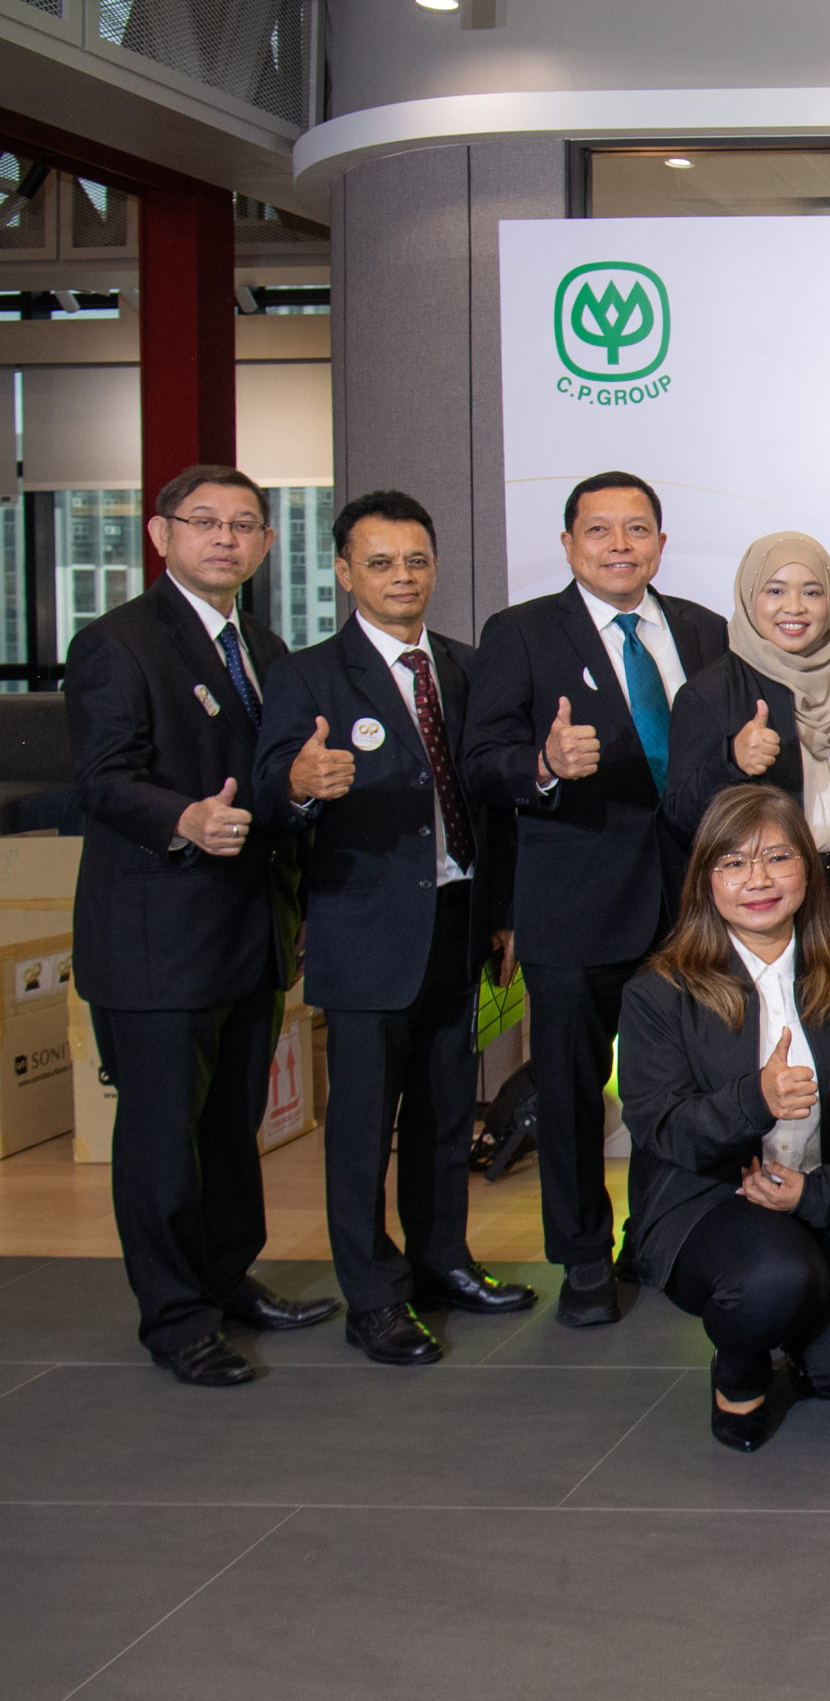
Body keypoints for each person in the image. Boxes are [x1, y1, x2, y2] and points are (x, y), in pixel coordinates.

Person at [69, 465, 336, 1385]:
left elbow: (270, 779)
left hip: (248, 928)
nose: (225, 538)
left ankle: (227, 1280)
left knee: (231, 1127)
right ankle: (176, 1317)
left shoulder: (262, 643)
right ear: (161, 535)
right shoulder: (118, 642)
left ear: (265, 543)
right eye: (205, 521)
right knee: (160, 1143)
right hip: (156, 938)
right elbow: (101, 778)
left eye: (245, 524)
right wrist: (181, 817)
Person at [252, 490, 532, 1366]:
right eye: (379, 563)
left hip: (459, 918)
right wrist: (299, 784)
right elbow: (270, 792)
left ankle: (442, 1261)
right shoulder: (308, 674)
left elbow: (493, 802)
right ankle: (373, 1296)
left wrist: (503, 913)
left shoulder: (466, 667)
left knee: (447, 1112)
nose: (401, 577)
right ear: (344, 572)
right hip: (366, 929)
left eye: (415, 560)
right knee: (364, 1128)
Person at [461, 470, 729, 1328]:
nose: (620, 545)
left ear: (661, 541)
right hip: (574, 905)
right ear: (569, 542)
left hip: (689, 905)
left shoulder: (704, 629)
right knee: (572, 1091)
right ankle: (581, 1256)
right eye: (600, 529)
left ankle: (654, 1237)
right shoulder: (521, 633)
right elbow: (480, 761)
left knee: (677, 1087)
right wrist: (542, 764)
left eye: (637, 528)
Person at [619, 785, 830, 1452]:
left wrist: (818, 1192)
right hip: (710, 1203)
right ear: (706, 879)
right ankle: (741, 1363)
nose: (757, 880)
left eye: (777, 857)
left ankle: (801, 1334)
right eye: (733, 862)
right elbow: (661, 1127)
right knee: (777, 1278)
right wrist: (755, 1100)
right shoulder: (658, 991)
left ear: (807, 868)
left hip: (828, 1193)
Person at [663, 530, 830, 967]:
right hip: (768, 901)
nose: (795, 607)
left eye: (812, 592)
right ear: (750, 597)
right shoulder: (711, 692)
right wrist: (732, 761)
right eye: (776, 591)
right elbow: (678, 815)